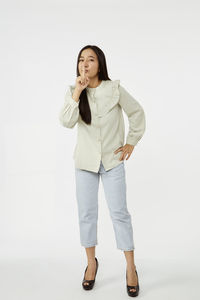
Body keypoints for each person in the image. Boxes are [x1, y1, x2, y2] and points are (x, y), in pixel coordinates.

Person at [59, 45, 146, 297]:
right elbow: (65, 121)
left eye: (90, 59)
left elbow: (137, 112)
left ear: (100, 64)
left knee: (119, 213)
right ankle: (91, 263)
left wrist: (132, 141)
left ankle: (131, 267)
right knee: (87, 214)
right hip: (84, 163)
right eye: (81, 60)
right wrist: (78, 91)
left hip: (112, 161)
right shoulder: (73, 92)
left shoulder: (114, 89)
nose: (85, 64)